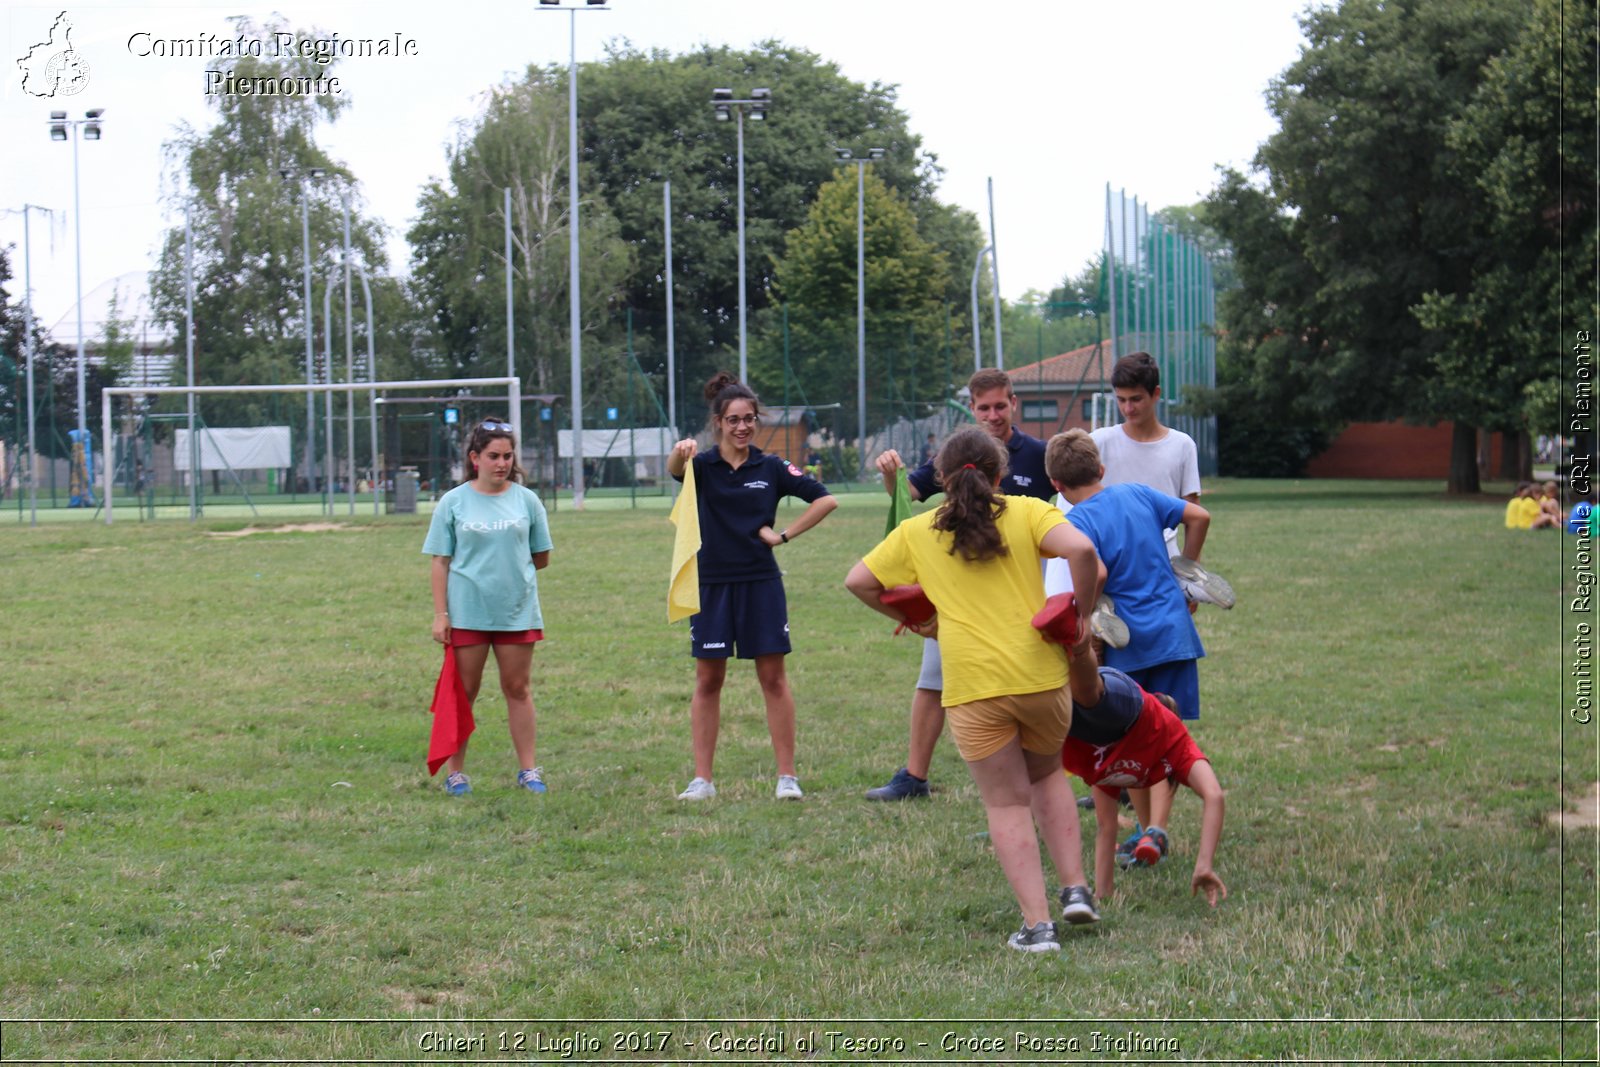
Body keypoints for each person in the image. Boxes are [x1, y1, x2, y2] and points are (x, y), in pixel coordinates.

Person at [847, 427, 1104, 952]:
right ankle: (1076, 889)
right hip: (1040, 675)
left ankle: (1037, 927)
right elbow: (1082, 550)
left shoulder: (918, 531)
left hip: (972, 685)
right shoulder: (1030, 511)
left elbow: (858, 581)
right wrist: (1080, 615)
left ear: (941, 480)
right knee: (1049, 774)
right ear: (1000, 475)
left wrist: (918, 619)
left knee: (1008, 804)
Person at [866, 368, 1057, 801]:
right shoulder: (957, 454)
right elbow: (906, 496)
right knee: (933, 678)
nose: (992, 414)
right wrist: (890, 473)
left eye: (999, 405)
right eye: (983, 407)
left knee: (1033, 683)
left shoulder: (1040, 455)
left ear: (1014, 404)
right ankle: (914, 777)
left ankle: (1070, 778)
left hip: (1021, 595)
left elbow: (1072, 506)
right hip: (955, 592)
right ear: (971, 408)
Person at [667, 372, 838, 801]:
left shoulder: (773, 467)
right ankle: (702, 779)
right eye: (733, 420)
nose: (742, 427)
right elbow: (675, 471)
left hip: (761, 583)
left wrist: (784, 536)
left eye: (749, 419)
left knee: (773, 679)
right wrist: (679, 454)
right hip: (711, 586)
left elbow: (825, 499)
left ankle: (787, 777)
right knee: (708, 680)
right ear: (718, 423)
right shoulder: (702, 466)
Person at [1046, 429, 1212, 841]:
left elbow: (1096, 573)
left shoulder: (1076, 521)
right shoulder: (1138, 492)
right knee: (1168, 734)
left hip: (1128, 644)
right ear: (1102, 469)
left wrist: (1084, 618)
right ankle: (1157, 828)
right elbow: (1199, 517)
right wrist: (1186, 570)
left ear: (1056, 485)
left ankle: (1146, 829)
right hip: (1174, 633)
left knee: (1134, 739)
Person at [422, 418, 554, 796]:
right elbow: (440, 561)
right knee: (463, 693)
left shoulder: (527, 500)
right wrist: (441, 614)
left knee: (518, 688)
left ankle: (528, 770)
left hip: (516, 612)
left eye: (508, 456)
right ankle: (456, 773)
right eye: (494, 456)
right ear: (474, 458)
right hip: (467, 614)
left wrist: (511, 578)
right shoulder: (453, 501)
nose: (502, 463)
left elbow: (540, 556)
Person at [1054, 632, 1227, 907]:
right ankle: (1078, 631)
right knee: (1088, 695)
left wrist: (1103, 894)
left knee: (1049, 700)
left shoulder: (1117, 770)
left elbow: (1106, 827)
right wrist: (1203, 863)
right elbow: (1214, 796)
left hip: (1083, 735)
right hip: (1129, 709)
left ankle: (1070, 637)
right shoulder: (1173, 738)